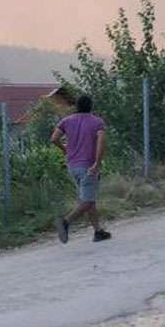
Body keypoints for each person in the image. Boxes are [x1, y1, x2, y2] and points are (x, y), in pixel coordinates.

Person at [51, 93, 113, 244]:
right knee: (87, 200)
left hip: (72, 166)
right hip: (88, 166)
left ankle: (98, 232)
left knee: (89, 198)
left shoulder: (66, 121)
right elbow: (101, 143)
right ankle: (65, 222)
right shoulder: (97, 122)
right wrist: (97, 163)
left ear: (76, 106)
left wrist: (65, 149)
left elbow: (54, 139)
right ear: (91, 106)